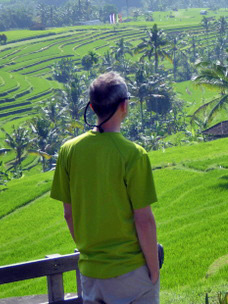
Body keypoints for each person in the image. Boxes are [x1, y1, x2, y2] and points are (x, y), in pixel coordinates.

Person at [51, 72, 160, 304]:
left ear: (91, 107)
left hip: (90, 273)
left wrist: (91, 255)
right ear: (124, 105)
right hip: (131, 273)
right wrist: (153, 270)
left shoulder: (68, 151)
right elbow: (144, 220)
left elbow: (68, 214)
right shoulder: (133, 154)